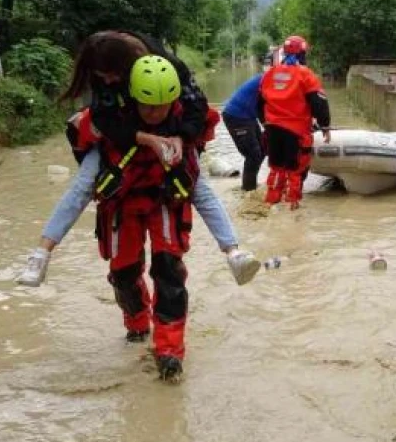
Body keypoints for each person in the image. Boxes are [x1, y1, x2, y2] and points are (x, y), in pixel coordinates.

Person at [16, 31, 260, 287]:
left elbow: (196, 105)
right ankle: (42, 252)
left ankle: (233, 251)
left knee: (198, 185)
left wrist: (181, 137)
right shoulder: (105, 79)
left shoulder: (169, 66)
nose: (108, 80)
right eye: (102, 75)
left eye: (112, 74)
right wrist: (145, 138)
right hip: (121, 133)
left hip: (171, 131)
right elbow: (103, 119)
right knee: (83, 184)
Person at [69, 55, 197, 381]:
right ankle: (137, 324)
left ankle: (169, 352)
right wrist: (44, 248)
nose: (155, 114)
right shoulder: (108, 119)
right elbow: (78, 191)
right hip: (123, 206)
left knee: (169, 272)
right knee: (123, 272)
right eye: (148, 107)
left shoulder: (185, 122)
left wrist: (231, 248)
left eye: (162, 107)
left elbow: (204, 194)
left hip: (165, 203)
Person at [257, 34, 330, 208]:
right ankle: (293, 210)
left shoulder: (270, 74)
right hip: (295, 131)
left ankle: (271, 203)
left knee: (276, 168)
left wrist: (266, 122)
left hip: (273, 129)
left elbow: (259, 102)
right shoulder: (305, 74)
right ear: (303, 53)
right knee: (295, 171)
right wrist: (325, 125)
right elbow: (319, 103)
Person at [221, 72, 266, 191]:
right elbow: (264, 106)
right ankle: (248, 191)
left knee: (262, 148)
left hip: (248, 116)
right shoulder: (268, 80)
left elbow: (262, 107)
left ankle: (251, 184)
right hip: (236, 116)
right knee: (253, 154)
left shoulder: (272, 78)